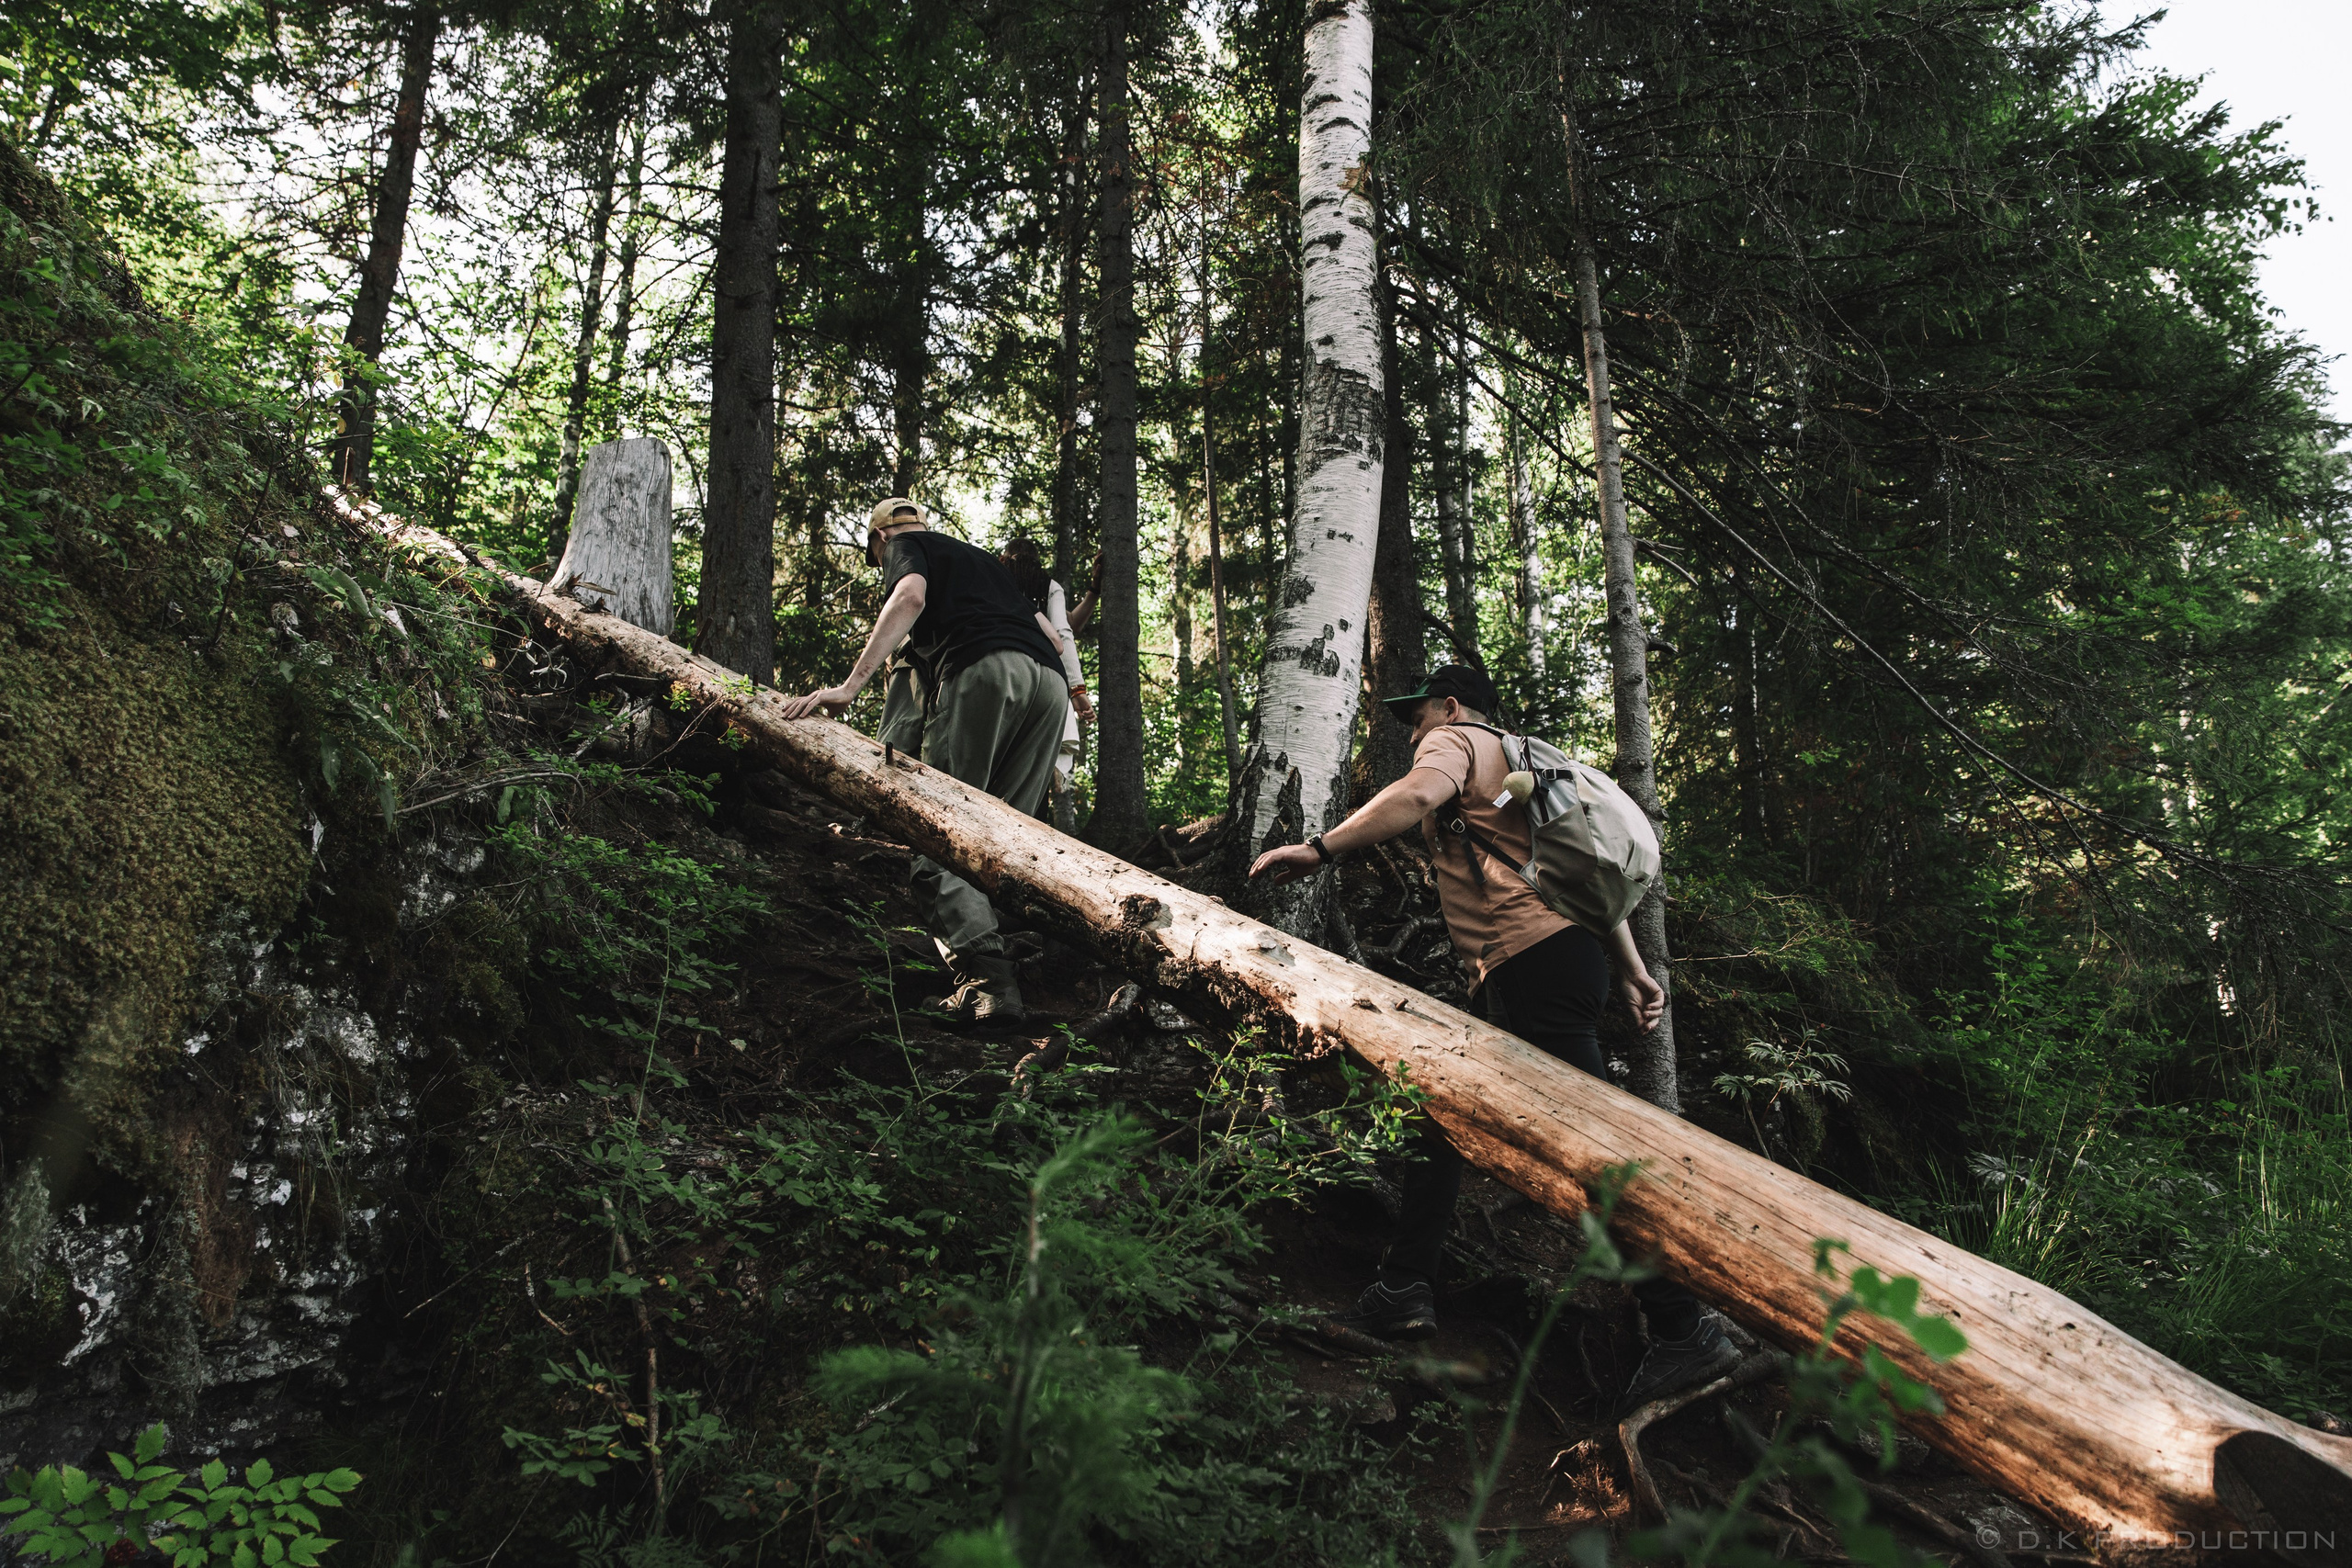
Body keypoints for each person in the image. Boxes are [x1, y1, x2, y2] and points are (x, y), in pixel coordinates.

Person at [1249, 663, 1738, 1412]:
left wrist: (1319, 849)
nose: (1414, 732)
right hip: (1556, 959)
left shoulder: (1457, 743)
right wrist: (1633, 970)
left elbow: (1417, 795)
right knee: (1439, 1106)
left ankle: (1682, 1325)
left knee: (1595, 1149)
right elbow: (1573, 875)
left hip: (1529, 966)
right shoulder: (1519, 762)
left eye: (1418, 716)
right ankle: (1405, 1286)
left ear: (1450, 706)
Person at [780, 498, 1071, 1026]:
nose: (882, 567)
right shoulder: (982, 560)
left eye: (877, 560)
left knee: (945, 835)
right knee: (1004, 836)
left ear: (880, 539)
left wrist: (849, 687)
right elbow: (1053, 635)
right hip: (1050, 686)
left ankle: (987, 984)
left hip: (984, 669)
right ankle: (1039, 948)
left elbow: (910, 595)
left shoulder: (906, 545)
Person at [997, 536, 1094, 813]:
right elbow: (1063, 632)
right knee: (1035, 764)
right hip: (1040, 679)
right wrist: (1077, 690)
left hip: (1000, 669)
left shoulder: (995, 577)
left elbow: (1070, 623)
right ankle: (1033, 821)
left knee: (998, 757)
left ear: (1005, 556)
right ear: (1037, 560)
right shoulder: (1047, 585)